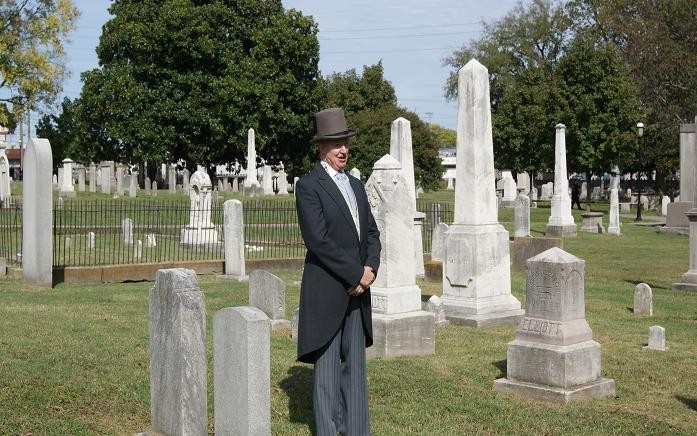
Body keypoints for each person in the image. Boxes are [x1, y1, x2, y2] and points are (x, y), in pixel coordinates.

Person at [294, 108, 381, 436]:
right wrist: (355, 274)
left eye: (344, 142)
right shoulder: (308, 186)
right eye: (334, 144)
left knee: (355, 370)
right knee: (328, 372)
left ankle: (356, 431)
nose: (342, 149)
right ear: (321, 148)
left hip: (359, 292)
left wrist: (370, 269)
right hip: (328, 289)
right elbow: (319, 240)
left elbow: (372, 233)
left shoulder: (357, 186)